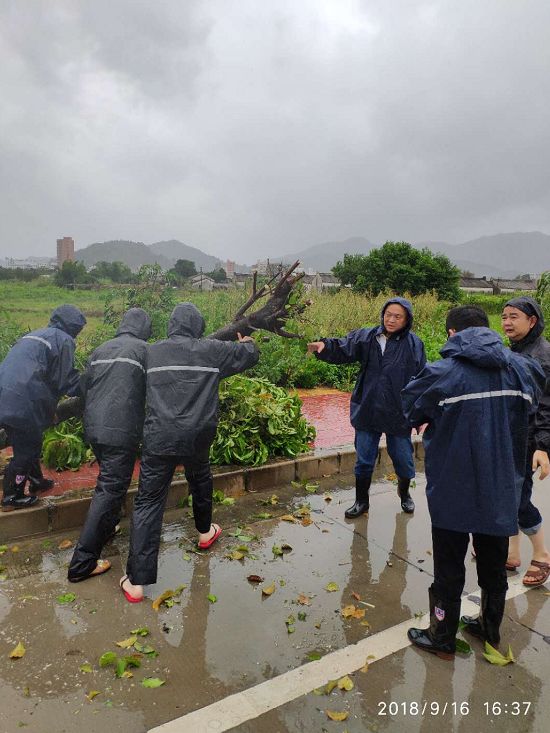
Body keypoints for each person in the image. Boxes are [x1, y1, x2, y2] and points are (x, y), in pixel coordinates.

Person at [402, 305, 545, 659]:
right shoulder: (524, 369)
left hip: (453, 486)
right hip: (502, 486)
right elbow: (535, 404)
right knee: (493, 565)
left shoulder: (441, 373)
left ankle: (441, 635)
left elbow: (410, 411)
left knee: (449, 567)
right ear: (489, 328)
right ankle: (489, 627)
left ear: (452, 333)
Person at [120, 303, 259, 602]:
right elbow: (250, 355)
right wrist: (247, 341)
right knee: (200, 481)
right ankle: (205, 532)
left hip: (160, 438)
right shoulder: (213, 350)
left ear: (171, 325)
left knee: (148, 502)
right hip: (198, 436)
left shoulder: (151, 352)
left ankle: (136, 581)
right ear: (197, 325)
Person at [307, 297, 426, 517]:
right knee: (364, 459)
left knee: (403, 459)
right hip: (368, 407)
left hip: (397, 412)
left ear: (407, 319)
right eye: (388, 314)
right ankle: (362, 501)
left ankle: (404, 492)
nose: (391, 320)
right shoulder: (369, 336)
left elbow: (421, 379)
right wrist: (325, 347)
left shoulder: (414, 344)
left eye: (397, 316)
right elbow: (345, 347)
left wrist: (421, 413)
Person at [67, 308, 152, 582]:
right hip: (121, 430)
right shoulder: (144, 351)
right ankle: (82, 563)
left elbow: (82, 388)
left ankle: (108, 527)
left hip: (94, 428)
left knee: (109, 485)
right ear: (144, 329)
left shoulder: (100, 350)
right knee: (110, 489)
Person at [0, 305, 86, 511]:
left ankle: (37, 481)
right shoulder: (63, 339)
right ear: (72, 326)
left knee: (30, 441)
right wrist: (90, 384)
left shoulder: (35, 335)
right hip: (25, 399)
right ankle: (12, 495)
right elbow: (66, 381)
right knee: (26, 449)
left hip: (6, 391)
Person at [502, 296, 550, 587]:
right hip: (515, 435)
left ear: (532, 321)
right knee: (511, 493)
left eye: (514, 316)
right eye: (504, 316)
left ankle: (543, 555)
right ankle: (512, 553)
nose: (507, 321)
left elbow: (545, 405)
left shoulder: (541, 356)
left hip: (529, 440)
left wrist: (543, 446)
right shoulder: (519, 348)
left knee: (517, 499)